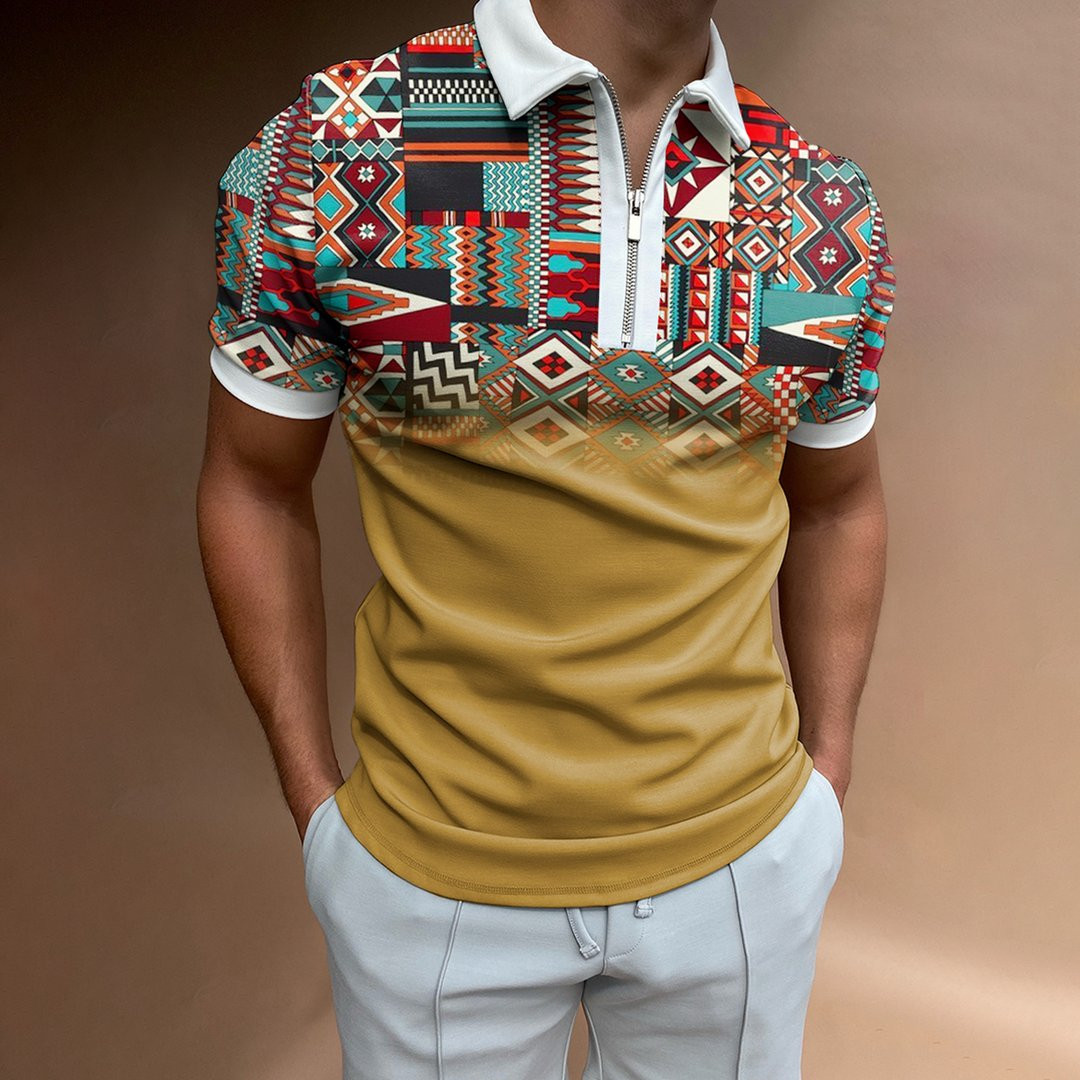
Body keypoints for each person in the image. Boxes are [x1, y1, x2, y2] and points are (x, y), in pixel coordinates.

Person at [196, 0, 896, 1075]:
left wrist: (823, 788)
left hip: (743, 868)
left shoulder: (821, 203)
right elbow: (251, 480)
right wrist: (316, 802)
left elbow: (841, 502)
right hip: (429, 882)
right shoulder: (337, 148)